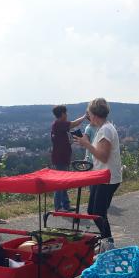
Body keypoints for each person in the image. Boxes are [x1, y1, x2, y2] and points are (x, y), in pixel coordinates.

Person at [73, 98, 121, 251]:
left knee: (98, 212)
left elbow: (103, 156)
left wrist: (86, 144)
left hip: (107, 178)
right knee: (93, 211)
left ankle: (108, 243)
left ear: (94, 114)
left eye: (89, 114)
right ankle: (106, 241)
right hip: (101, 176)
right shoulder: (104, 128)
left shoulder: (106, 130)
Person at [50, 105, 86, 211]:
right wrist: (84, 117)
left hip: (62, 157)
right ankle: (58, 206)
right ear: (62, 114)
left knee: (63, 182)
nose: (67, 115)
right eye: (66, 113)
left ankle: (66, 205)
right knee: (60, 183)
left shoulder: (57, 125)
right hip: (61, 158)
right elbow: (74, 123)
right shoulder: (59, 124)